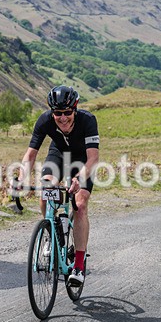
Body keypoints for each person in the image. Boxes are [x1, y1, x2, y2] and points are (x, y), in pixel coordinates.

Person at [19, 85, 99, 286]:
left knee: (79, 206)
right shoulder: (45, 120)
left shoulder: (88, 121)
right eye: (57, 113)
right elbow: (30, 154)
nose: (63, 118)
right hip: (58, 154)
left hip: (82, 161)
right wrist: (20, 179)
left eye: (67, 112)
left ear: (75, 108)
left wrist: (78, 179)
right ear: (52, 112)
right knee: (46, 188)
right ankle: (50, 232)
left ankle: (79, 266)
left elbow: (93, 159)